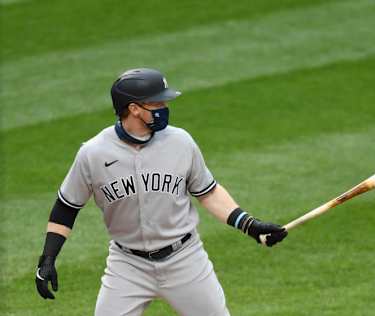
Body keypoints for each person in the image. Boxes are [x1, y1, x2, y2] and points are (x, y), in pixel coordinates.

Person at [35, 68, 288, 315]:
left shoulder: (180, 142)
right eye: (157, 104)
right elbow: (67, 207)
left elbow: (208, 192)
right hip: (128, 265)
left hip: (184, 260)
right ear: (134, 108)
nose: (165, 109)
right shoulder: (93, 153)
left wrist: (250, 225)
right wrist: (48, 258)